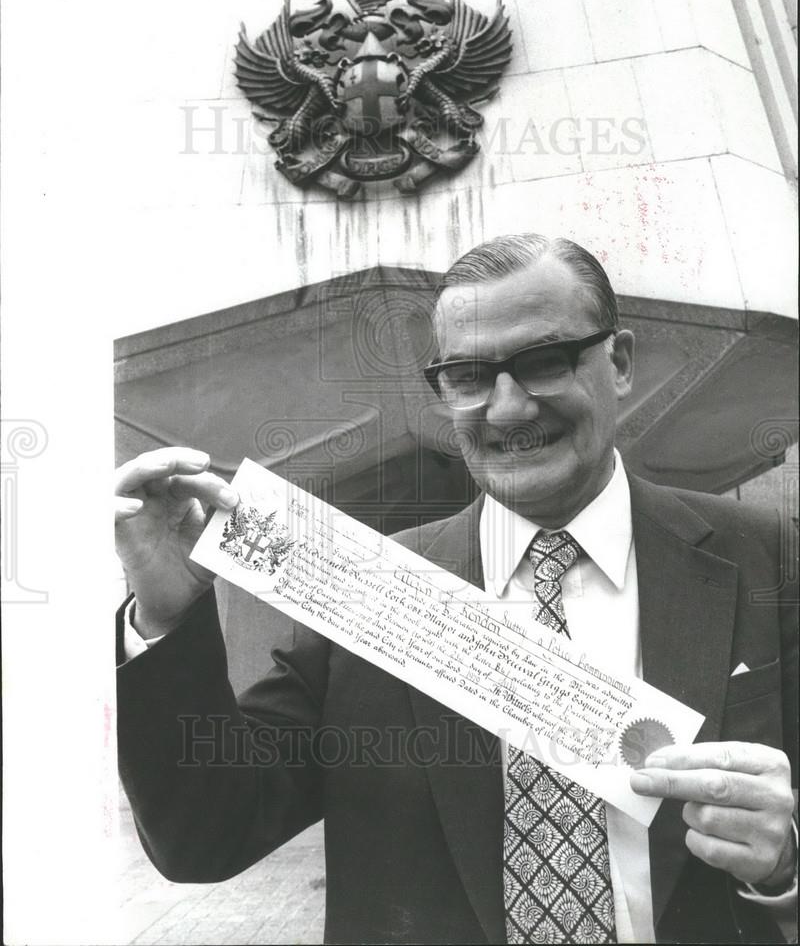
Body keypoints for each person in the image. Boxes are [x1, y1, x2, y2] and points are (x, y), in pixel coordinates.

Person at [115, 233, 797, 944]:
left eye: (543, 361)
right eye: (469, 375)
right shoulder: (359, 596)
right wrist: (165, 614)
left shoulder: (770, 559)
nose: (506, 408)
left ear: (618, 362)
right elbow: (205, 836)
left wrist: (786, 861)